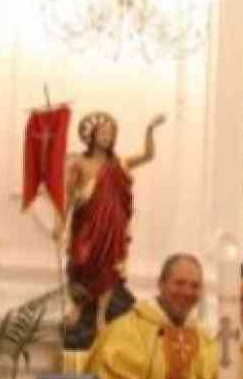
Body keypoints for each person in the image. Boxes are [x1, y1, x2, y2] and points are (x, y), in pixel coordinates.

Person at [61, 110, 165, 329]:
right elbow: (68, 195)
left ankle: (101, 315)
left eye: (110, 134)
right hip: (86, 222)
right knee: (80, 262)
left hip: (112, 224)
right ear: (92, 135)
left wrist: (149, 130)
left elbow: (147, 155)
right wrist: (60, 223)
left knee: (108, 269)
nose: (107, 138)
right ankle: (78, 307)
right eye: (103, 133)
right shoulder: (79, 162)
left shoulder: (118, 163)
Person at [87, 253, 213, 379]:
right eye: (179, 283)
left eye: (195, 286)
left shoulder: (205, 338)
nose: (187, 292)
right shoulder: (125, 331)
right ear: (161, 284)